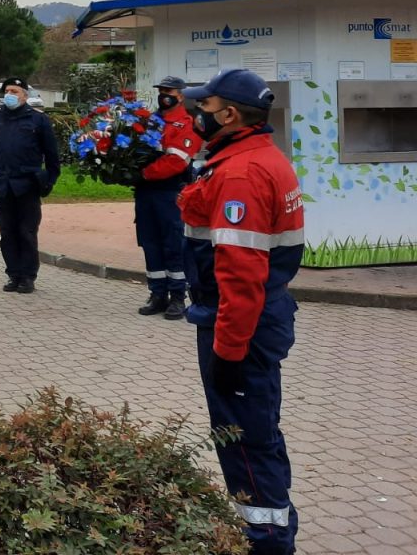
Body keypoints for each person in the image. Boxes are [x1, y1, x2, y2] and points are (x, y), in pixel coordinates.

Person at [179, 69, 303, 554]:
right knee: (258, 433)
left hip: (239, 328)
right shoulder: (251, 158)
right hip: (255, 320)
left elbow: (241, 275)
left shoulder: (240, 174)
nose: (196, 115)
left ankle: (267, 542)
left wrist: (228, 350)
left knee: (245, 442)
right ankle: (271, 533)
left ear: (229, 114)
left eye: (203, 108)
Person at [132, 75, 203, 320]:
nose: (165, 94)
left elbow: (176, 161)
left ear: (181, 95)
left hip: (170, 192)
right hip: (146, 192)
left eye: (170, 91)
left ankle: (177, 297)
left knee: (173, 244)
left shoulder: (187, 124)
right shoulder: (150, 121)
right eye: (162, 90)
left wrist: (143, 173)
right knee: (150, 243)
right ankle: (157, 294)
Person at [0, 76, 60, 294]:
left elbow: (52, 157)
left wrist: (48, 181)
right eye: (7, 91)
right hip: (3, 187)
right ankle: (13, 274)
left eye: (15, 91)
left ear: (25, 95)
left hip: (27, 186)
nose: (10, 95)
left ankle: (27, 276)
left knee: (26, 231)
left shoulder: (38, 121)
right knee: (7, 233)